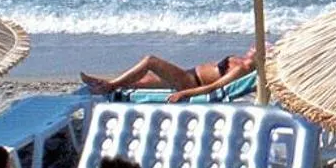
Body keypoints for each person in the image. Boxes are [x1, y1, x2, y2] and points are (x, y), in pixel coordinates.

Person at [81, 50, 256, 103]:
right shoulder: (242, 61)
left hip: (189, 82)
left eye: (257, 48)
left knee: (150, 61)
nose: (253, 46)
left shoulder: (243, 68)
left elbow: (215, 87)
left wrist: (185, 94)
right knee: (137, 82)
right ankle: (103, 84)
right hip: (187, 74)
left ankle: (108, 85)